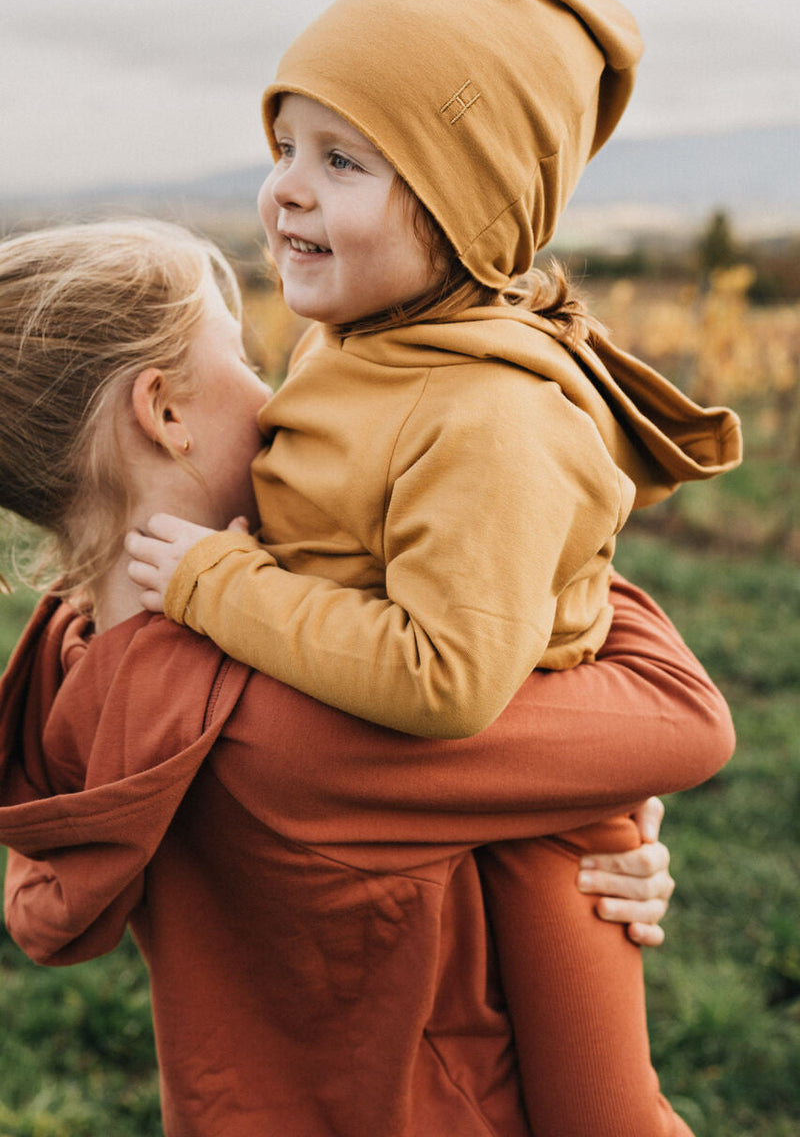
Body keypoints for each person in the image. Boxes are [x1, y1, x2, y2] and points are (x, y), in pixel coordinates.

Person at [123, 0, 742, 1131]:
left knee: (596, 1109)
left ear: (471, 208)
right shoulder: (360, 343)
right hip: (428, 808)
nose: (285, 193)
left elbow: (444, 675)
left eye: (340, 161)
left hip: (545, 820)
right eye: (283, 146)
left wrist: (220, 588)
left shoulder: (488, 414)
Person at [0, 219, 735, 1136]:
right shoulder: (283, 725)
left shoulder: (80, 663)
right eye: (245, 360)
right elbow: (679, 713)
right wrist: (502, 495)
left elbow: (552, 782)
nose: (276, 399)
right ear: (165, 412)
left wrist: (559, 810)